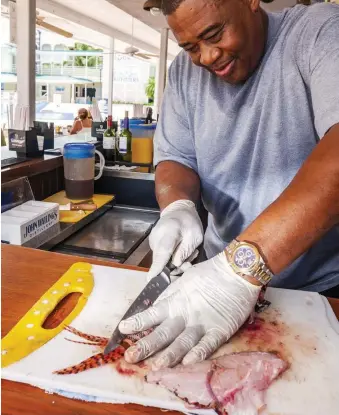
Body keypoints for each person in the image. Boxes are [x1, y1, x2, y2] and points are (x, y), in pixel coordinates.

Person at [118, 0, 339, 370]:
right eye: (189, 47)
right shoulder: (182, 75)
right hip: (214, 289)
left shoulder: (318, 31)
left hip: (319, 291)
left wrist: (238, 270)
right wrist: (178, 207)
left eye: (214, 34)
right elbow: (176, 158)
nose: (206, 57)